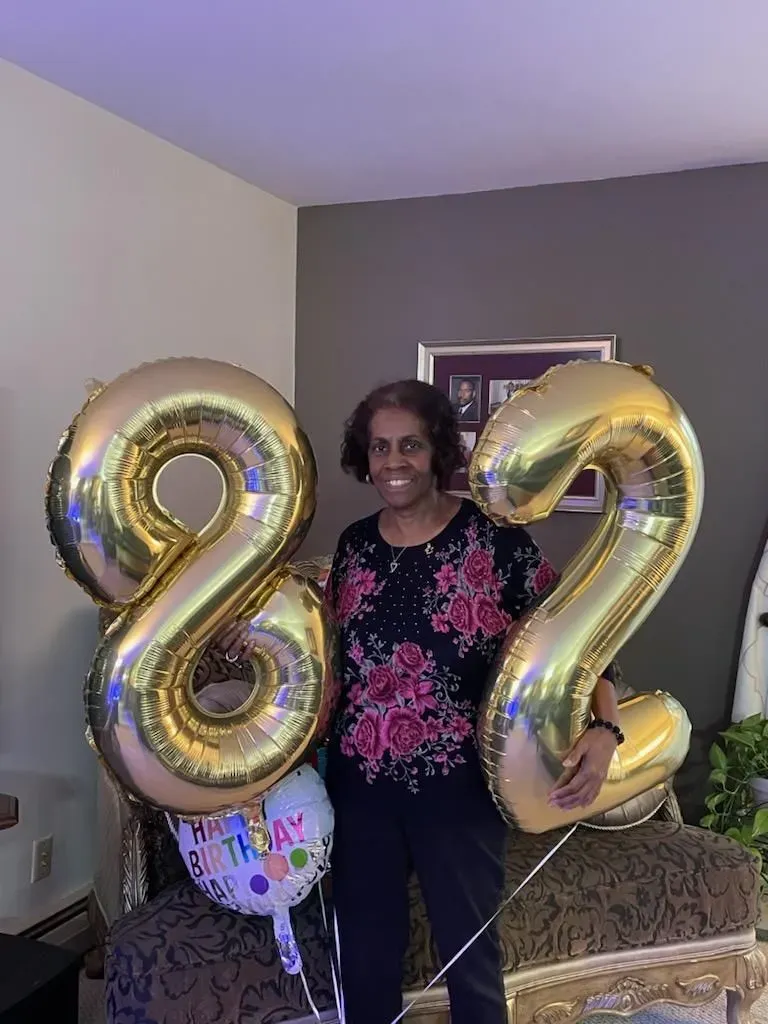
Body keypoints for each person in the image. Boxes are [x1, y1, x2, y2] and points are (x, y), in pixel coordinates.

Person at [219, 379, 621, 1024]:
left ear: (437, 450)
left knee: (471, 958)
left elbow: (580, 643)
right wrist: (263, 634)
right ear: (364, 458)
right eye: (379, 448)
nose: (393, 462)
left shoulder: (495, 542)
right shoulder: (354, 548)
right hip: (361, 785)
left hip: (459, 786)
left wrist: (605, 727)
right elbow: (323, 650)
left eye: (409, 444)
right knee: (366, 952)